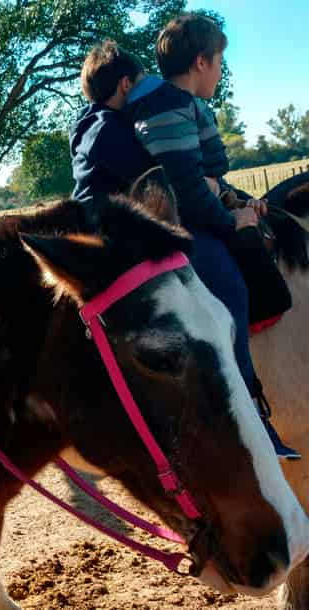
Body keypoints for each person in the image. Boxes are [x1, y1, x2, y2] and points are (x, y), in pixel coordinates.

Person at [124, 13, 299, 459]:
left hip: (199, 215)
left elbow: (205, 179)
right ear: (202, 61)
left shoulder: (178, 105)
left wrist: (238, 202)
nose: (221, 72)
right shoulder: (168, 107)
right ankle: (244, 411)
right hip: (183, 228)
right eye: (220, 61)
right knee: (232, 290)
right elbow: (184, 187)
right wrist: (231, 221)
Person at [70, 40, 154, 202]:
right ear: (126, 84)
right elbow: (150, 176)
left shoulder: (86, 124)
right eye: (141, 82)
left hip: (82, 211)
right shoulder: (110, 129)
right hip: (103, 218)